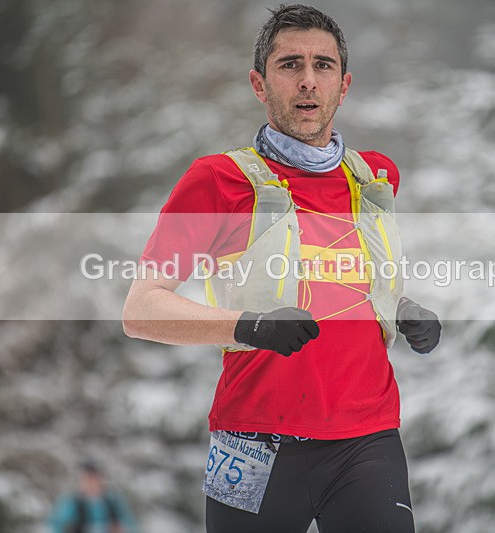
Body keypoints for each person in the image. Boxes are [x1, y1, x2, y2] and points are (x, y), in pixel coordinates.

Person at [122, 4, 441, 532]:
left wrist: (406, 310)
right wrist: (247, 326)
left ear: (345, 84)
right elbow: (140, 309)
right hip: (250, 444)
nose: (308, 81)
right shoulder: (217, 181)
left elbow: (350, 279)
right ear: (259, 82)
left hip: (367, 439)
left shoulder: (376, 178)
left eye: (324, 65)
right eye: (290, 64)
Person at [46, 460, 138, 533]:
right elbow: (56, 525)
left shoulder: (113, 501)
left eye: (94, 478)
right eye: (86, 479)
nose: (90, 483)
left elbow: (131, 524)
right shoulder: (71, 502)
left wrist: (121, 528)